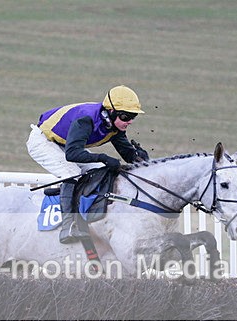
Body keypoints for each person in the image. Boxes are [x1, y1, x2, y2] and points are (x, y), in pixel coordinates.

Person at [26, 85, 150, 243]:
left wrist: (141, 158)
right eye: (126, 117)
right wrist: (104, 157)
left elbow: (128, 155)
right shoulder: (86, 119)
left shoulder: (114, 126)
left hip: (66, 144)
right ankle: (68, 227)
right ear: (111, 112)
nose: (129, 121)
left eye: (133, 117)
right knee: (71, 173)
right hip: (44, 141)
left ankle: (92, 218)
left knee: (100, 172)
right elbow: (72, 154)